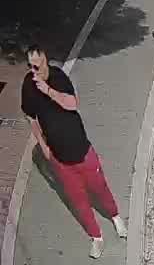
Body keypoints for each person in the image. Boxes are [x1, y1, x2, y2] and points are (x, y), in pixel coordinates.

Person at [20, 44, 125, 258]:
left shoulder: (58, 78)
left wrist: (48, 91)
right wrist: (43, 145)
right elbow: (30, 116)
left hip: (82, 151)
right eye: (30, 67)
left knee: (100, 188)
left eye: (37, 67)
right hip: (60, 159)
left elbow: (72, 104)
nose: (34, 72)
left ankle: (115, 217)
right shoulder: (28, 85)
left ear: (45, 61)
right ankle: (96, 237)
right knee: (78, 201)